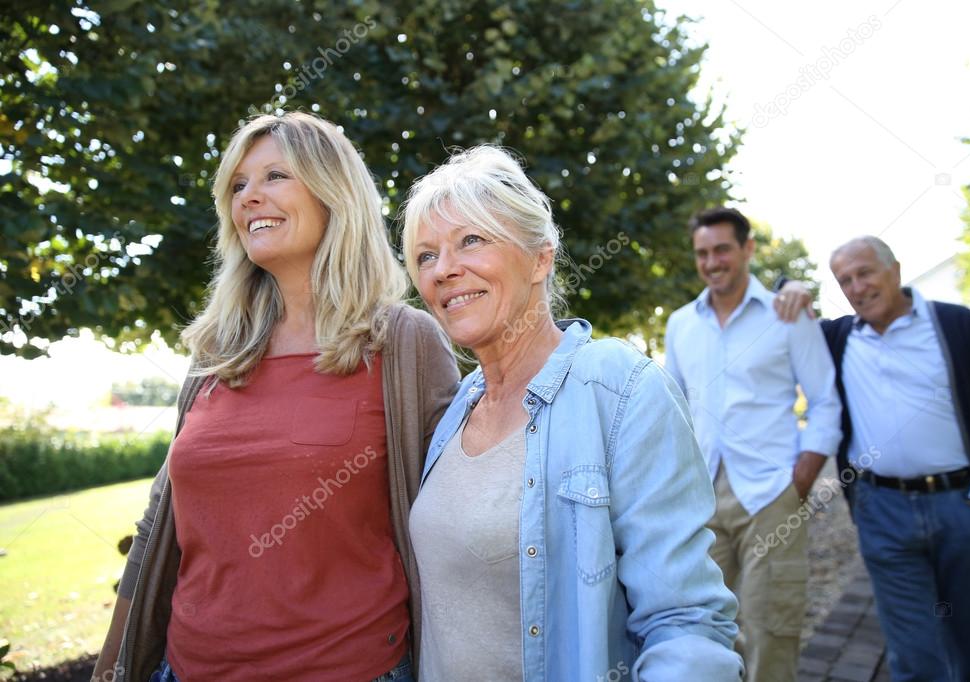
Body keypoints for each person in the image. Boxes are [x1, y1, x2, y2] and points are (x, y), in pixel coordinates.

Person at [92, 112, 459, 682]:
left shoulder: (404, 342)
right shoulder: (215, 352)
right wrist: (111, 669)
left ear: (331, 193)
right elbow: (156, 527)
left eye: (274, 177)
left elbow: (450, 525)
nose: (249, 198)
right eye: (237, 186)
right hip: (186, 669)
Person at [400, 146, 743, 681]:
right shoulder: (454, 411)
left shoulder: (621, 388)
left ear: (541, 257)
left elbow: (687, 621)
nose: (444, 269)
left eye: (472, 240)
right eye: (425, 255)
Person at [777, 236, 970, 681]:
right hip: (882, 511)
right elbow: (781, 332)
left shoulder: (958, 326)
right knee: (912, 656)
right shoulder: (838, 337)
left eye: (865, 272)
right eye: (845, 280)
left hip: (965, 505)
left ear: (896, 269)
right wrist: (788, 283)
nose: (857, 287)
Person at [662, 207, 842, 682]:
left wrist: (800, 479)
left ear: (748, 249)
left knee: (769, 629)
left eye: (722, 249)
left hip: (770, 495)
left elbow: (825, 401)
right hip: (700, 497)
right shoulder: (682, 324)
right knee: (699, 627)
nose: (712, 261)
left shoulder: (788, 314)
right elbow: (674, 409)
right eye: (702, 252)